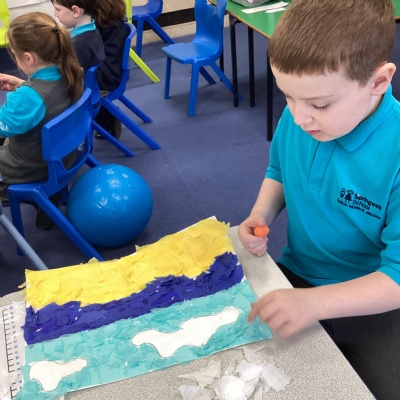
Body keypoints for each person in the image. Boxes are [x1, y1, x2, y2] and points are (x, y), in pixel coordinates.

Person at [237, 1, 400, 399]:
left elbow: (396, 278)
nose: (299, 117)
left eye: (320, 104)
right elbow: (279, 171)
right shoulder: (301, 116)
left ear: (378, 82)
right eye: (287, 97)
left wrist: (314, 304)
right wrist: (261, 214)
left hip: (374, 297)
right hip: (298, 274)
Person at [0, 12, 83, 229]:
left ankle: (16, 193)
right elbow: (46, 99)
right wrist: (22, 85)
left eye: (14, 55)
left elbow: (5, 124)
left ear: (28, 58)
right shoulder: (72, 72)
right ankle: (49, 200)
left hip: (29, 168)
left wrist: (23, 93)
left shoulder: (27, 98)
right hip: (63, 157)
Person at [93, 0, 128, 139]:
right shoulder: (110, 17)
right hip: (113, 71)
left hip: (107, 78)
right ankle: (106, 117)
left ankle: (106, 119)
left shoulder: (97, 25)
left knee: (71, 89)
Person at [51, 0, 104, 73]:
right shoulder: (94, 30)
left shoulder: (76, 45)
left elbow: (70, 75)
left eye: (58, 9)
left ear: (75, 11)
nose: (55, 14)